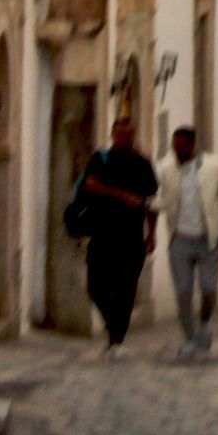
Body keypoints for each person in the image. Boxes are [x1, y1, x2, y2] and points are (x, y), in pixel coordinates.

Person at [156, 124, 218, 360]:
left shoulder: (215, 167)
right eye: (174, 147)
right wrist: (144, 204)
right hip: (180, 238)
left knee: (209, 288)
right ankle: (189, 339)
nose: (176, 152)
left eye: (181, 147)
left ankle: (204, 323)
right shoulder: (167, 169)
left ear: (192, 145)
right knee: (183, 292)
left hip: (208, 239)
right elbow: (163, 200)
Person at [65, 113, 159, 354]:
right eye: (119, 133)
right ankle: (112, 326)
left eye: (127, 133)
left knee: (126, 289)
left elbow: (152, 201)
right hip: (103, 234)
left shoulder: (142, 164)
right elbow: (90, 184)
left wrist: (152, 233)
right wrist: (122, 195)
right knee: (95, 286)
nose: (123, 137)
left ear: (133, 135)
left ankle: (117, 340)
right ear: (113, 134)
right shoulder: (101, 159)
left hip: (131, 236)